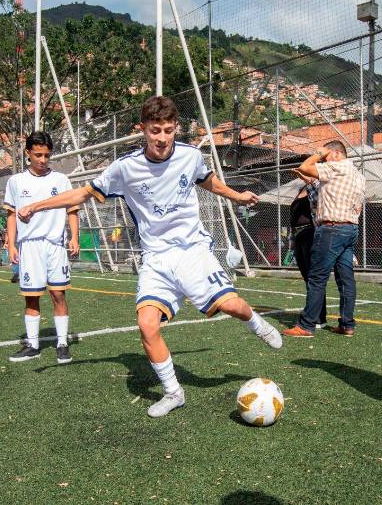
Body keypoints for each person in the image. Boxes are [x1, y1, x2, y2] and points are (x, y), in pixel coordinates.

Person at [17, 96, 282, 417]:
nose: (162, 138)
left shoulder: (190, 156)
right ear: (141, 129)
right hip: (156, 260)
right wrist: (36, 205)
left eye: (169, 130)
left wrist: (238, 195)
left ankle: (256, 323)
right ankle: (174, 392)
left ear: (176, 129)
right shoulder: (125, 168)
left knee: (231, 306)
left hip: (192, 252)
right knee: (146, 324)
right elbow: (82, 194)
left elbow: (209, 181)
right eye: (155, 130)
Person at [4, 131, 80, 364]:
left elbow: (72, 210)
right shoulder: (16, 181)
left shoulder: (60, 180)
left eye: (47, 155)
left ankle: (62, 343)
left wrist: (74, 237)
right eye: (38, 155)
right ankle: (33, 345)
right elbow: (11, 215)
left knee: (58, 294)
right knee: (31, 297)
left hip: (55, 245)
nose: (43, 160)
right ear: (28, 153)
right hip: (30, 247)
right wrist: (12, 244)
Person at [283, 140, 365, 339]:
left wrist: (319, 154)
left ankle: (307, 325)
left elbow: (305, 166)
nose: (323, 160)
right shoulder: (358, 175)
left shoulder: (335, 167)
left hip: (331, 228)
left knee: (317, 277)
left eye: (327, 155)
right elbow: (316, 182)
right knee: (346, 280)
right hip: (351, 228)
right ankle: (347, 324)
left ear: (336, 154)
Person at [288, 177, 329, 330]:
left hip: (312, 233)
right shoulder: (301, 189)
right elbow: (292, 218)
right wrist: (291, 239)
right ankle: (312, 312)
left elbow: (319, 203)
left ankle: (319, 317)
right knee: (308, 278)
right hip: (299, 236)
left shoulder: (317, 186)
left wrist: (312, 182)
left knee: (314, 278)